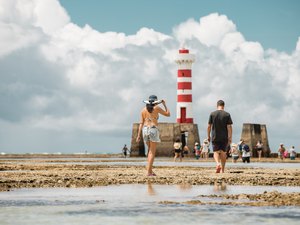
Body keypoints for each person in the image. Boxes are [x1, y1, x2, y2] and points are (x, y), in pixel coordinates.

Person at [136, 95, 170, 176]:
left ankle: (150, 171)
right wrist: (164, 104)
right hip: (152, 129)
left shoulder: (143, 110)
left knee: (149, 152)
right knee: (152, 152)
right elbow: (168, 114)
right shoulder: (156, 108)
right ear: (155, 101)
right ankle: (148, 172)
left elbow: (141, 123)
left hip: (144, 130)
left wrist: (138, 135)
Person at [207, 100, 233, 173]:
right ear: (223, 106)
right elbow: (229, 127)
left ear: (217, 105)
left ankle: (218, 164)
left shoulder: (212, 114)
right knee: (223, 152)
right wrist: (230, 137)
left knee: (216, 152)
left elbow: (209, 126)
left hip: (215, 136)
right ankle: (223, 170)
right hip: (224, 137)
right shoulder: (227, 114)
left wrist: (208, 136)